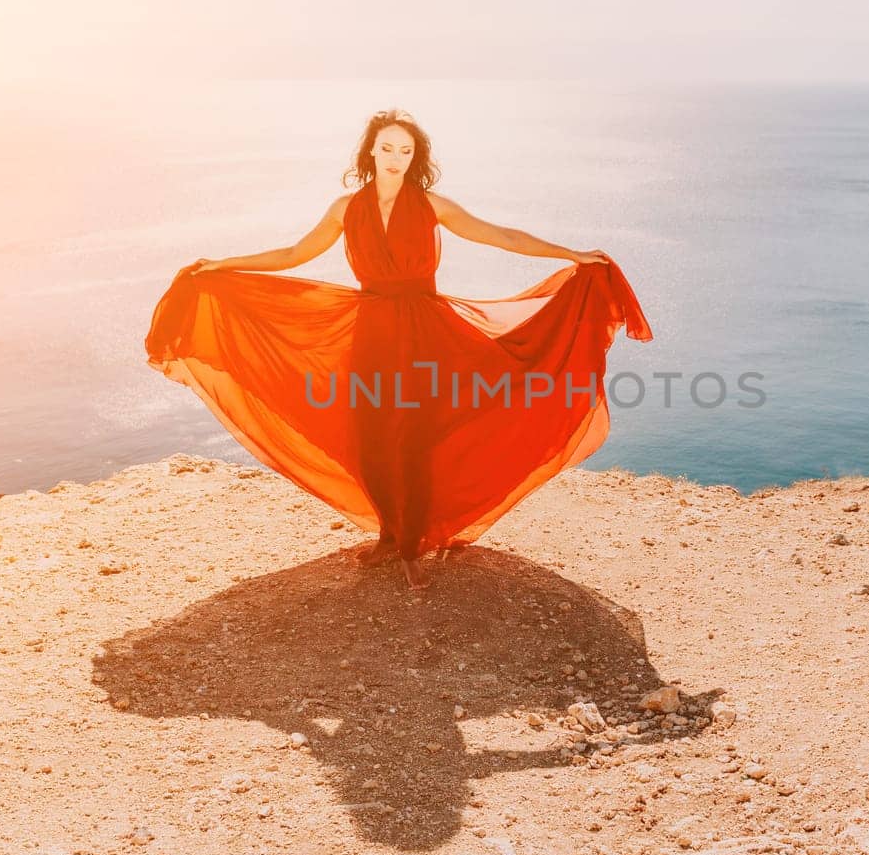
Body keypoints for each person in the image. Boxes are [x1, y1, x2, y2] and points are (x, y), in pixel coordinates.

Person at [146, 108, 653, 590]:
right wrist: (223, 264)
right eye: (386, 148)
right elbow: (294, 254)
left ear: (416, 157)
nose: (395, 158)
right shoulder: (346, 209)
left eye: (405, 151)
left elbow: (500, 236)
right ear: (370, 152)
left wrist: (570, 254)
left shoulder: (433, 205)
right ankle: (390, 534)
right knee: (370, 437)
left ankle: (413, 545)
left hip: (424, 333)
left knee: (413, 438)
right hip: (370, 334)